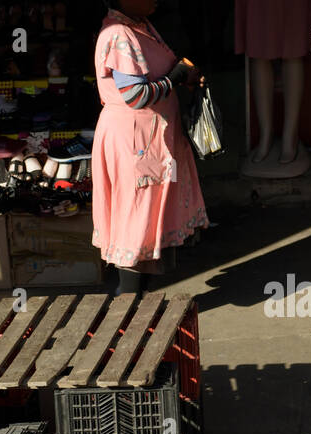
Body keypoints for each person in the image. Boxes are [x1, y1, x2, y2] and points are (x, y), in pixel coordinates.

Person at [91, 0, 209, 294]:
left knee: (146, 223)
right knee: (135, 221)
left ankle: (140, 303)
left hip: (151, 140)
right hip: (133, 144)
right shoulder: (118, 33)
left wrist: (184, 76)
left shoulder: (142, 26)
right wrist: (175, 78)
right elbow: (136, 95)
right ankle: (129, 307)